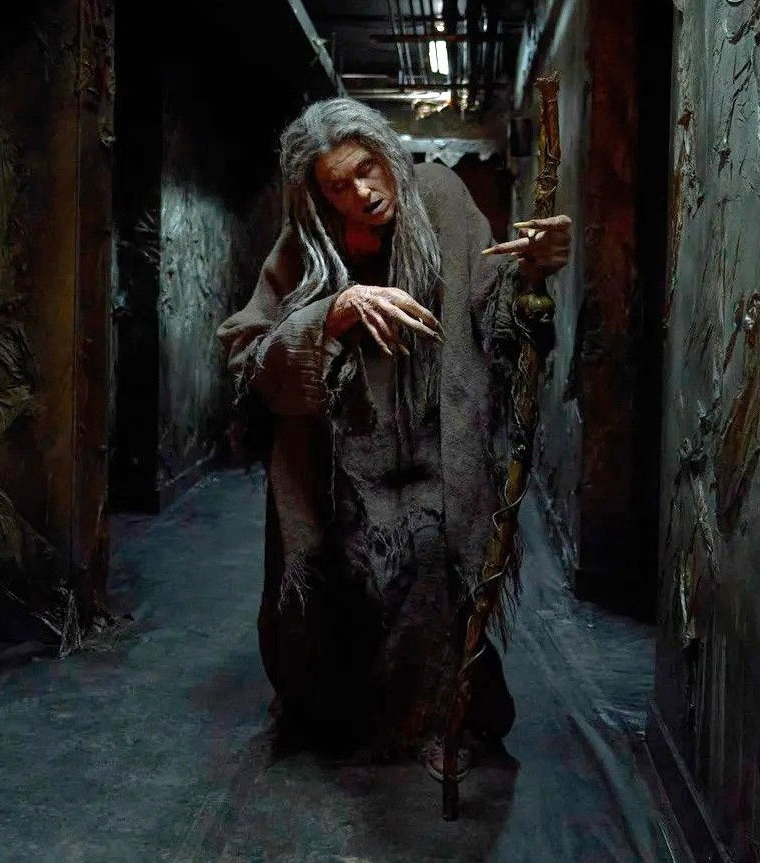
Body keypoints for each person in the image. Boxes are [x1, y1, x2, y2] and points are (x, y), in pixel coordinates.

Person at [217, 98, 570, 773]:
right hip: (340, 459)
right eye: (338, 185)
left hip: (438, 446)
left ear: (387, 154)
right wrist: (333, 311)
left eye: (367, 169)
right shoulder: (307, 241)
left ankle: (439, 721)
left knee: (435, 560)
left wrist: (534, 271)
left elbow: (495, 308)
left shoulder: (439, 197)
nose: (361, 192)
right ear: (318, 195)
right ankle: (347, 713)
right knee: (340, 591)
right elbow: (247, 351)